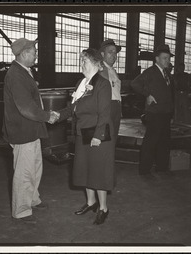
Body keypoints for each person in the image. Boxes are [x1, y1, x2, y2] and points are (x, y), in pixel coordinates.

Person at [2, 38, 60, 223]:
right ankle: (21, 210)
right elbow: (26, 107)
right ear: (24, 53)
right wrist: (47, 116)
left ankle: (33, 199)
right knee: (24, 172)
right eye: (34, 51)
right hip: (22, 131)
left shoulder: (25, 72)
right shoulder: (16, 75)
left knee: (35, 168)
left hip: (31, 130)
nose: (36, 54)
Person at [59, 48, 115, 225]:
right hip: (82, 132)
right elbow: (72, 108)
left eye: (85, 61)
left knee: (98, 172)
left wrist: (98, 136)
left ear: (97, 64)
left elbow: (105, 113)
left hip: (98, 134)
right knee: (85, 170)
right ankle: (91, 202)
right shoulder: (81, 83)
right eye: (81, 61)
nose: (81, 64)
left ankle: (103, 207)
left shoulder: (103, 84)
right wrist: (55, 116)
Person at [131, 44, 175, 176]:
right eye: (164, 58)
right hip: (154, 113)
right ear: (157, 59)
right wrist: (147, 95)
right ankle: (145, 170)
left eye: (168, 58)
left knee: (164, 142)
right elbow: (134, 84)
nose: (167, 61)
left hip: (166, 113)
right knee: (151, 142)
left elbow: (171, 95)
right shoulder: (150, 72)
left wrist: (172, 114)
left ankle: (161, 167)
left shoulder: (167, 74)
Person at [98, 39, 122, 144]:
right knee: (104, 138)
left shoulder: (113, 71)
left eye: (115, 52)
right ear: (102, 54)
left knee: (113, 137)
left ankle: (109, 158)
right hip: (106, 107)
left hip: (116, 107)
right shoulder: (99, 70)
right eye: (110, 52)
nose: (114, 55)